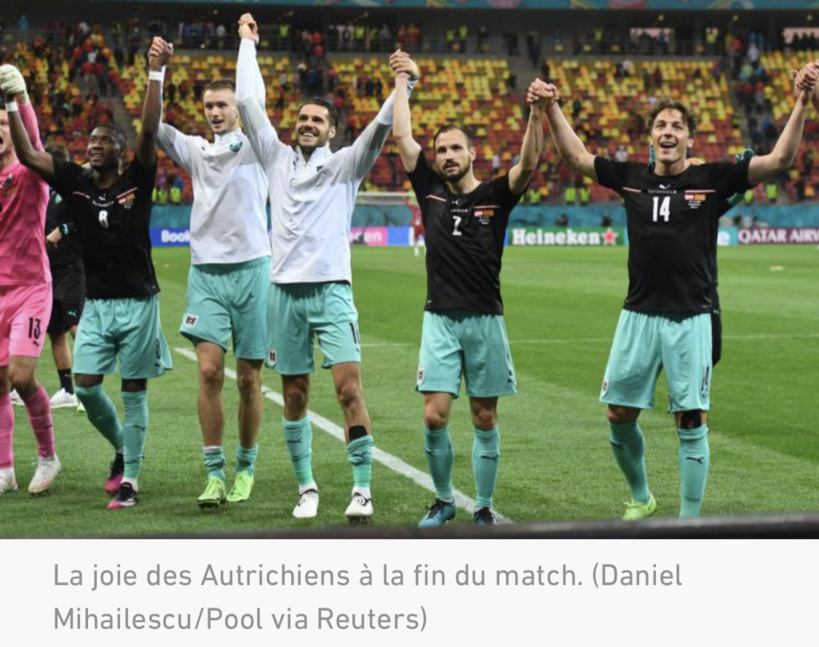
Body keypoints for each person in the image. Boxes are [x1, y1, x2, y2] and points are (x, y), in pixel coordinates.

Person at [535, 63, 817, 519]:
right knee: (618, 416)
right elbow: (578, 158)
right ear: (651, 138)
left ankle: (689, 523)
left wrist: (803, 101)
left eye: (677, 126)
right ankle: (642, 497)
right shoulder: (631, 177)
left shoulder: (712, 179)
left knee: (690, 419)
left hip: (691, 316)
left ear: (690, 140)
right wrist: (552, 109)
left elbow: (779, 161)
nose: (668, 131)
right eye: (661, 125)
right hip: (638, 314)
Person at [235, 14, 417, 521]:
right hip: (284, 295)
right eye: (303, 119)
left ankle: (362, 488)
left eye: (318, 120)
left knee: (348, 389)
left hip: (333, 291)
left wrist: (405, 83)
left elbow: (381, 129)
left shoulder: (345, 166)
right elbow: (249, 104)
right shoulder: (274, 157)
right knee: (293, 393)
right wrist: (248, 45)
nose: (307, 125)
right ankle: (306, 487)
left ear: (332, 131)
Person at [7, 39, 174, 510]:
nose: (94, 146)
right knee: (84, 386)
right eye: (91, 141)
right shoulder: (76, 181)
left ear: (122, 152)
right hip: (98, 305)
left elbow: (148, 128)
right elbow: (28, 155)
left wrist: (155, 74)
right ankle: (123, 448)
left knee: (135, 391)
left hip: (140, 301)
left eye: (104, 142)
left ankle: (131, 481)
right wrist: (11, 104)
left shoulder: (137, 179)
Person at [391, 51, 547, 526]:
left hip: (484, 318)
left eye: (456, 149)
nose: (447, 156)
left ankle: (481, 508)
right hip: (439, 317)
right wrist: (403, 81)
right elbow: (401, 134)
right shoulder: (430, 190)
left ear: (472, 153)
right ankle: (442, 499)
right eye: (441, 150)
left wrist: (536, 113)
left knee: (484, 418)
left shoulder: (496, 195)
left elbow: (529, 161)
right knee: (434, 416)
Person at [151, 37, 271, 509]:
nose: (215, 111)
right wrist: (156, 72)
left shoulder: (257, 146)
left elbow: (250, 96)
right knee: (207, 372)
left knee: (248, 379)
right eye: (208, 106)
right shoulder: (197, 150)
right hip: (207, 274)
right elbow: (152, 125)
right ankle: (215, 472)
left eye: (222, 104)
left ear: (237, 110)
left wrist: (246, 43)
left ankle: (246, 467)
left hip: (253, 271)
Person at [0, 66, 59, 496]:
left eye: (4, 125)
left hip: (31, 290)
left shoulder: (30, 171)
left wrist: (19, 98)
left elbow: (34, 142)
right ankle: (4, 469)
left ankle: (47, 456)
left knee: (22, 377)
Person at [42, 143, 85, 411]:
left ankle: (90, 386)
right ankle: (68, 390)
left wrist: (63, 230)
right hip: (48, 270)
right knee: (55, 332)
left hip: (71, 266)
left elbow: (88, 218)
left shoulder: (72, 189)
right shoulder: (44, 192)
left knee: (74, 327)